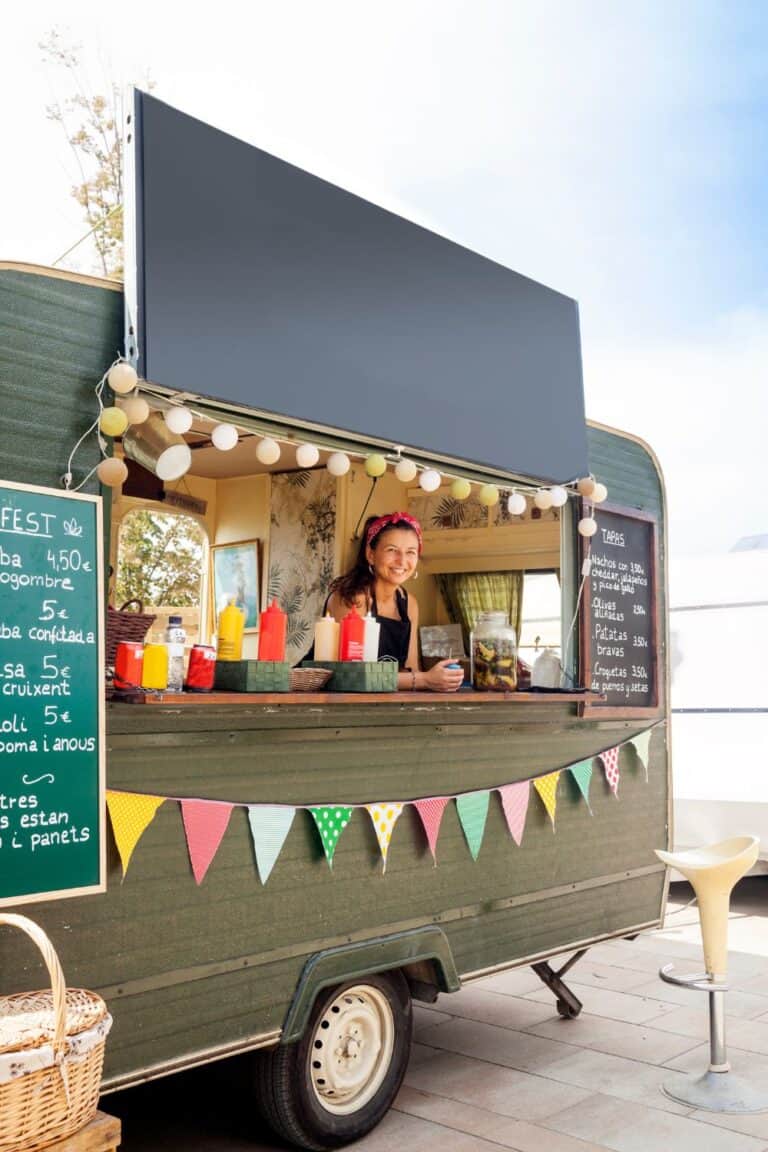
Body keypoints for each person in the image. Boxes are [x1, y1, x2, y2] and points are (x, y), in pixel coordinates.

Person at [324, 512, 464, 693]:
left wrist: (437, 678)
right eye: (392, 550)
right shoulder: (351, 599)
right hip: (326, 700)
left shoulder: (409, 604)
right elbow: (353, 675)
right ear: (370, 554)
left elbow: (410, 669)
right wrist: (425, 679)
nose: (402, 561)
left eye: (411, 552)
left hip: (381, 702)